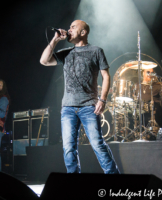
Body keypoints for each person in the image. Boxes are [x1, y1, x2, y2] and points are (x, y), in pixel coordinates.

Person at [40, 20, 119, 174]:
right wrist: (55, 39)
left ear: (83, 32)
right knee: (69, 148)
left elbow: (106, 76)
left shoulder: (96, 51)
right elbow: (43, 61)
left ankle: (114, 179)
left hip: (89, 106)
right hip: (68, 108)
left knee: (97, 144)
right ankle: (74, 184)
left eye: (73, 27)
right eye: (69, 27)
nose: (69, 30)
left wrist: (102, 99)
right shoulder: (66, 53)